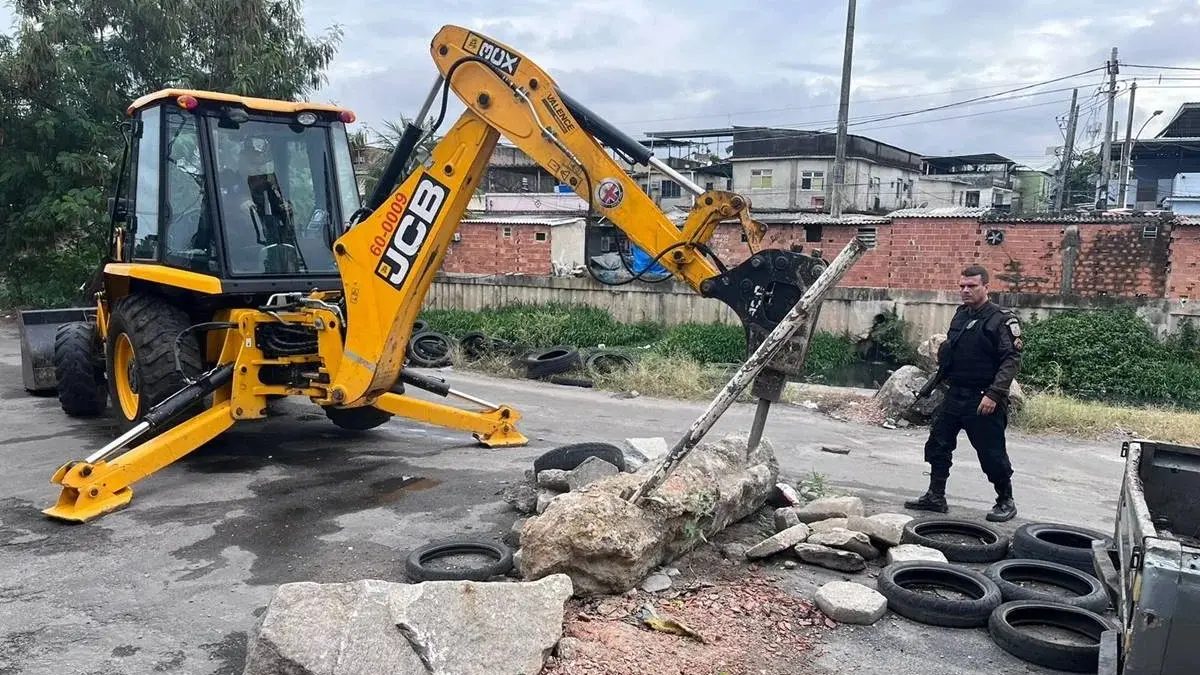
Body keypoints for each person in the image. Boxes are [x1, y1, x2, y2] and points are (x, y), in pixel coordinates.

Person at [905, 264, 1023, 522]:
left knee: (991, 453)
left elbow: (1011, 360)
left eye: (971, 286)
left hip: (983, 397)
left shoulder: (1001, 319)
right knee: (938, 443)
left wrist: (994, 394)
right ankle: (936, 496)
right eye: (962, 286)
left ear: (986, 287)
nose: (965, 291)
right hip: (955, 393)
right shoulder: (961, 315)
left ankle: (1005, 500)